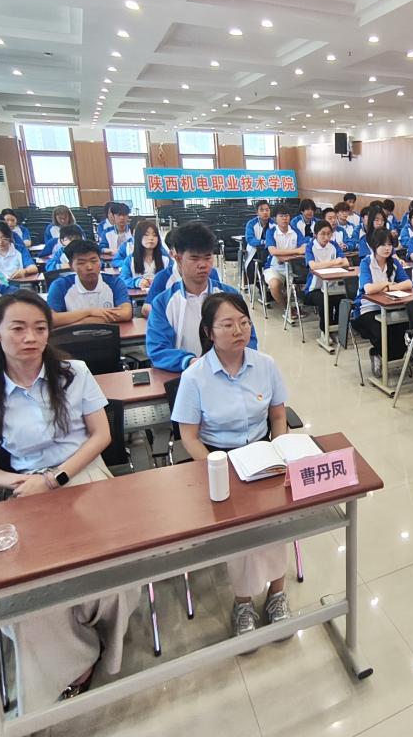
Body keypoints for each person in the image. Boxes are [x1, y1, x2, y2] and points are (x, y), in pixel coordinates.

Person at [0, 291, 133, 710]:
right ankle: (72, 661)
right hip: (26, 491)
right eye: (17, 329)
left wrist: (55, 478)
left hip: (82, 476)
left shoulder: (74, 373)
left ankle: (102, 634)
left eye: (39, 328)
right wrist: (19, 481)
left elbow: (101, 436)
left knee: (108, 566)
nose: (30, 338)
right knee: (29, 593)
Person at [170, 292, 293, 637]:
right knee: (241, 529)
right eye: (227, 324)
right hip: (218, 459)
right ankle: (243, 601)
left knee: (276, 520)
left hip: (263, 454)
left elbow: (278, 415)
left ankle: (277, 592)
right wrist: (217, 467)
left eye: (243, 322)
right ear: (209, 332)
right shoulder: (195, 377)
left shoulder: (265, 364)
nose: (238, 330)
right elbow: (188, 437)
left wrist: (279, 451)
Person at [147, 223, 253, 372]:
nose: (203, 264)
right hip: (182, 375)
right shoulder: (163, 303)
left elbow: (249, 340)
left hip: (228, 373)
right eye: (195, 258)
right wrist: (191, 362)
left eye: (208, 257)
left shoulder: (230, 297)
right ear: (178, 259)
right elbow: (158, 350)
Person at [351, 228, 412, 378]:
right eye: (382, 245)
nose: (387, 248)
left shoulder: (394, 262)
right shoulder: (366, 262)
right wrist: (387, 283)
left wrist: (390, 287)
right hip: (367, 309)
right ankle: (377, 353)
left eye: (389, 244)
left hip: (390, 307)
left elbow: (408, 283)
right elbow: (368, 288)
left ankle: (388, 358)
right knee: (381, 332)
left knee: (403, 327)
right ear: (374, 246)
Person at [46, 240, 132, 326]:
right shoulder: (60, 286)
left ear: (100, 261)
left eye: (94, 261)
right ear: (71, 266)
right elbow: (52, 318)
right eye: (81, 263)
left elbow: (126, 312)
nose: (89, 267)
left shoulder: (114, 283)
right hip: (72, 334)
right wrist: (89, 312)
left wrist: (83, 322)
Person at [303, 220, 349, 332]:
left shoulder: (333, 245)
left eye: (329, 234)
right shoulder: (310, 247)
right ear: (315, 234)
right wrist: (334, 262)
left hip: (332, 285)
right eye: (322, 234)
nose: (326, 237)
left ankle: (339, 327)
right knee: (324, 300)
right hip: (314, 288)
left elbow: (346, 263)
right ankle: (326, 330)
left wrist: (324, 265)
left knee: (343, 298)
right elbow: (313, 266)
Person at [264, 206, 306, 312]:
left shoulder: (295, 231)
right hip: (274, 267)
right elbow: (273, 251)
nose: (284, 218)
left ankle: (297, 306)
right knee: (274, 285)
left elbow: (303, 249)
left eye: (287, 215)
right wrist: (296, 252)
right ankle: (287, 308)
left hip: (294, 267)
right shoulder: (271, 232)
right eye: (281, 216)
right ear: (275, 218)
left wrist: (284, 257)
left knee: (302, 283)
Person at [118, 220, 165, 290]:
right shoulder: (130, 259)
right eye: (146, 235)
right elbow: (123, 279)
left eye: (154, 235)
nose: (151, 238)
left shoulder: (165, 259)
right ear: (138, 237)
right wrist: (136, 282)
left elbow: (173, 277)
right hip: (139, 296)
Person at [242, 199, 272, 282]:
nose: (265, 212)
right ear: (257, 213)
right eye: (262, 210)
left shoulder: (274, 224)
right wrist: (263, 242)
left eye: (267, 210)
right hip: (255, 252)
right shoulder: (251, 224)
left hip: (271, 251)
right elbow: (250, 239)